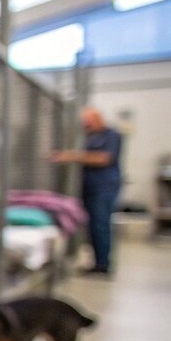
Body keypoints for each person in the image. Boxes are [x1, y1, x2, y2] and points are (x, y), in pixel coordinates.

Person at [52, 107, 123, 274]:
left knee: (101, 224)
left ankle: (102, 264)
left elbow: (104, 158)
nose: (85, 125)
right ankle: (98, 261)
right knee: (93, 225)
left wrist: (71, 156)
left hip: (104, 186)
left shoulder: (112, 135)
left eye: (88, 121)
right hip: (91, 186)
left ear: (98, 119)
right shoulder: (90, 137)